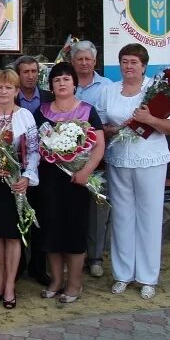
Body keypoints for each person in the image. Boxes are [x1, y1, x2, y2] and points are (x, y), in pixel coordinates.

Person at [97, 44, 170, 300]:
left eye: (133, 62)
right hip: (119, 159)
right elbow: (100, 125)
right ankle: (123, 275)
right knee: (121, 216)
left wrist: (149, 119)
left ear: (143, 65)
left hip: (151, 159)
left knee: (149, 217)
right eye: (124, 61)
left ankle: (147, 277)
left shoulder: (156, 91)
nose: (128, 66)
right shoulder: (109, 90)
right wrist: (109, 131)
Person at [33, 62, 105, 304]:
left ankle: (74, 283)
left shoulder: (87, 110)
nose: (61, 83)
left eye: (66, 79)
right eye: (56, 80)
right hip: (49, 182)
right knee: (51, 232)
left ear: (75, 83)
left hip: (76, 182)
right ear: (51, 86)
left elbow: (99, 145)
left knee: (74, 232)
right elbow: (33, 146)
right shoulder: (41, 112)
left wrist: (86, 171)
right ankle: (56, 280)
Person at [0, 69, 40, 309]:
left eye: (9, 88)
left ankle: (11, 285)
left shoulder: (25, 116)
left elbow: (34, 151)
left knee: (13, 236)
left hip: (17, 184)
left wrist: (26, 177)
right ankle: (0, 281)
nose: (4, 92)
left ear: (16, 91)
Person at [71, 40, 113, 278]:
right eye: (80, 59)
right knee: (72, 209)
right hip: (66, 162)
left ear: (95, 61)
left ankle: (95, 257)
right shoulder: (65, 83)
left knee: (98, 209)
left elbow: (107, 124)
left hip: (98, 159)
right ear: (73, 61)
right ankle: (72, 252)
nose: (84, 63)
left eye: (88, 59)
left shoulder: (107, 86)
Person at [13, 54, 54, 286]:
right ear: (17, 76)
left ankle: (38, 267)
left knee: (40, 219)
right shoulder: (9, 97)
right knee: (17, 219)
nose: (30, 76)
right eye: (25, 72)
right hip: (15, 170)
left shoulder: (48, 97)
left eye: (34, 71)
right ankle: (16, 267)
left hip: (43, 169)